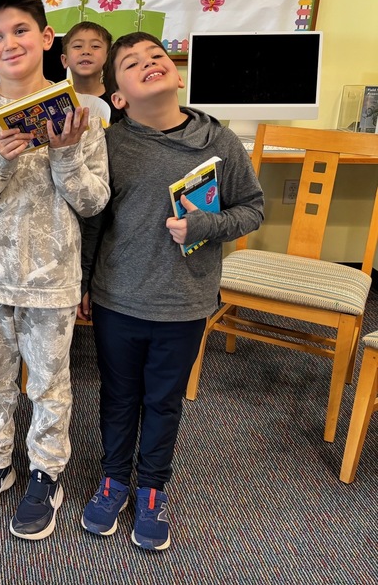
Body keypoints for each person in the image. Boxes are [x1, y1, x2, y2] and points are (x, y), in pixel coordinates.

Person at [78, 32, 263, 550]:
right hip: (118, 296)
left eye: (156, 56)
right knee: (118, 396)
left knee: (163, 401)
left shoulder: (220, 142)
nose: (148, 64)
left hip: (185, 301)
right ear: (118, 96)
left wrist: (207, 225)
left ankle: (153, 487)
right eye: (131, 63)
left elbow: (252, 208)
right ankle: (115, 478)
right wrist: (84, 284)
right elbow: (94, 222)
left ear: (177, 73)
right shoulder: (110, 144)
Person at [0, 0, 109, 540]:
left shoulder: (80, 114)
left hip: (52, 277)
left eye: (20, 31)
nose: (9, 43)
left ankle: (46, 470)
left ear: (46, 38)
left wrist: (63, 154)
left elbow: (92, 201)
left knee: (50, 382)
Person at [61, 21, 113, 125]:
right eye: (77, 46)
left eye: (95, 46)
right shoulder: (57, 100)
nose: (86, 51)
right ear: (65, 60)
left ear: (108, 58)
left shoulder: (118, 98)